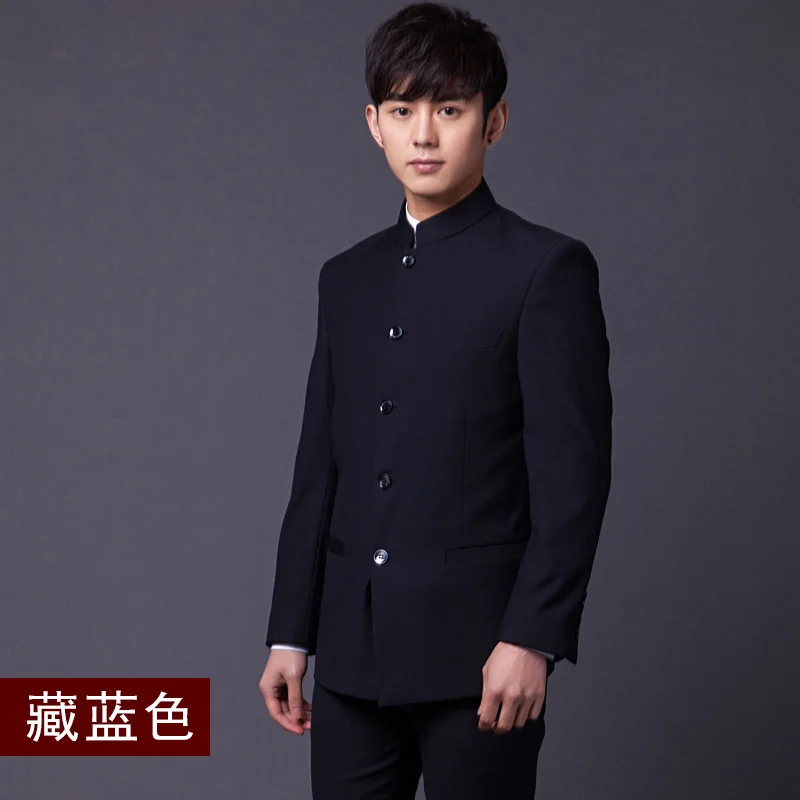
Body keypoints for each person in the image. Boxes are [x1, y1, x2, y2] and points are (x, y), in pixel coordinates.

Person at [258, 2, 612, 797]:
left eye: (448, 110)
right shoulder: (347, 278)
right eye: (401, 110)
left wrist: (533, 637)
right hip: (352, 656)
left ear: (494, 122)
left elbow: (573, 479)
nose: (423, 135)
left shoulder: (545, 270)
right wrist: (291, 632)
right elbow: (319, 466)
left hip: (483, 660)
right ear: (374, 124)